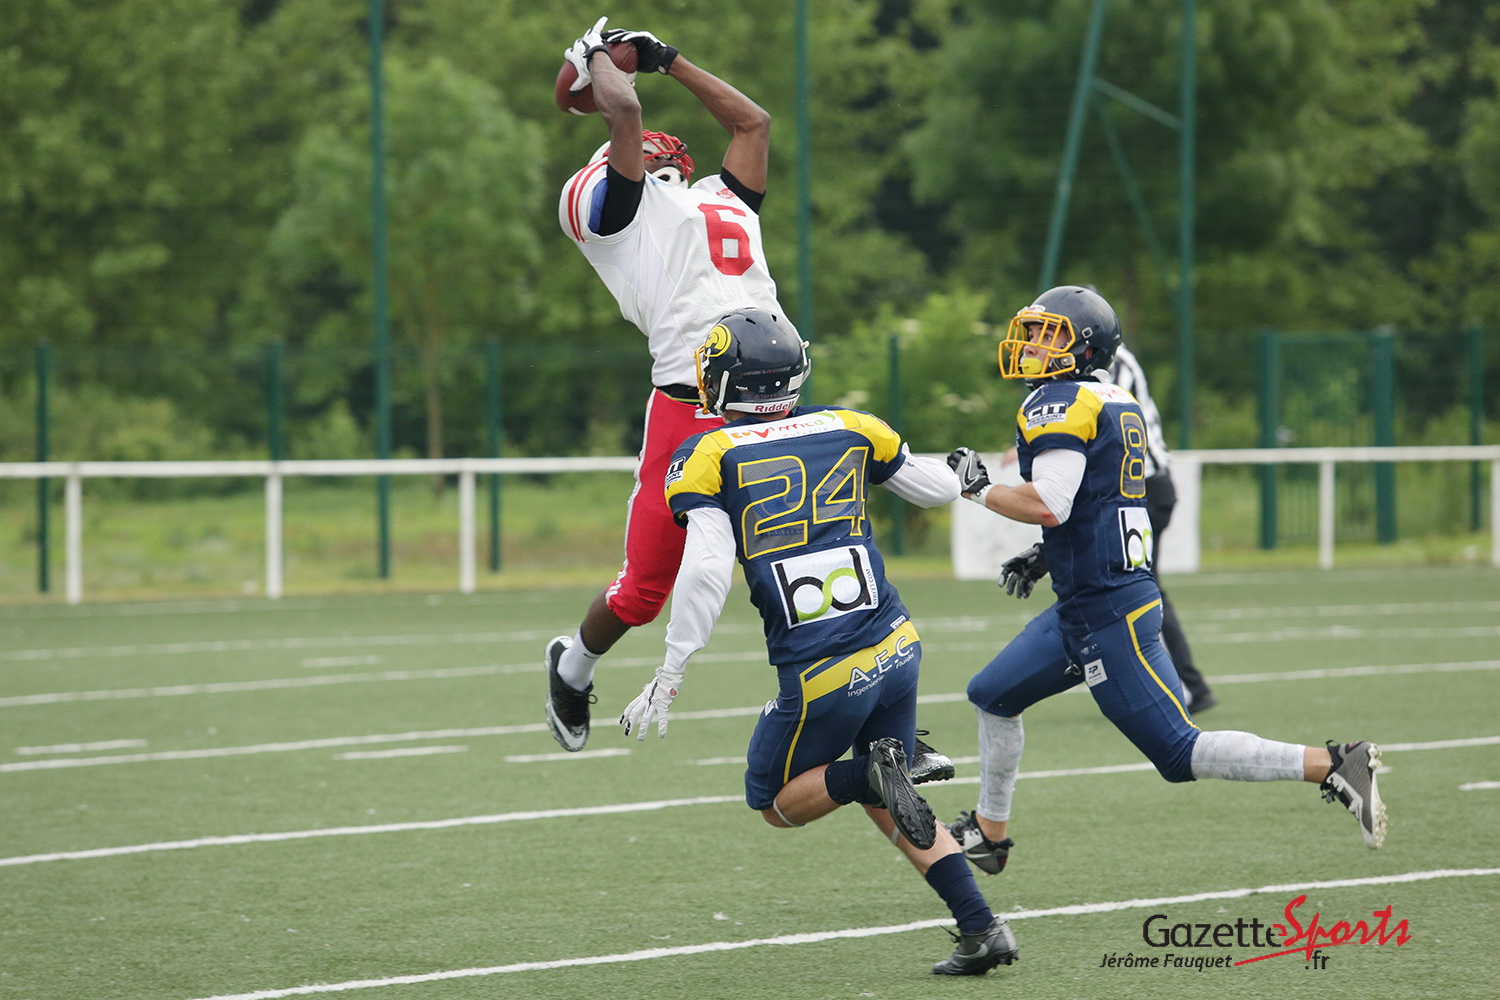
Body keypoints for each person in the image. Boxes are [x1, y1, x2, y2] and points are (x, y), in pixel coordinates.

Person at [544, 17, 955, 783]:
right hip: (689, 407)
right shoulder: (618, 214)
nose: (662, 147)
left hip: (774, 394)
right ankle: (572, 666)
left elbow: (752, 122)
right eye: (644, 150)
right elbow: (624, 113)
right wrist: (599, 59)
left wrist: (669, 59)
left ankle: (889, 731)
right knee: (644, 591)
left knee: (825, 552)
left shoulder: (715, 200)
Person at [617, 307, 1018, 975]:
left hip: (823, 671)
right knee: (884, 794)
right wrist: (963, 474)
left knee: (778, 804)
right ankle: (981, 927)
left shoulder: (708, 453)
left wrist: (672, 667)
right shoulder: (851, 425)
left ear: (722, 380)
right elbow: (933, 489)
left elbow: (708, 569)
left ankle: (872, 770)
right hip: (896, 645)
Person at [940, 285, 1387, 876]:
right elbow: (1100, 502)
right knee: (992, 695)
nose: (1033, 346)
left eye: (1050, 335)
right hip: (1087, 603)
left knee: (1178, 751)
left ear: (1085, 347)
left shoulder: (1060, 401)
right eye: (1034, 333)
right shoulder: (1113, 398)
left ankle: (1335, 764)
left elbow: (1049, 502)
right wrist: (1047, 555)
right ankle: (989, 833)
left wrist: (977, 488)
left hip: (1108, 612)